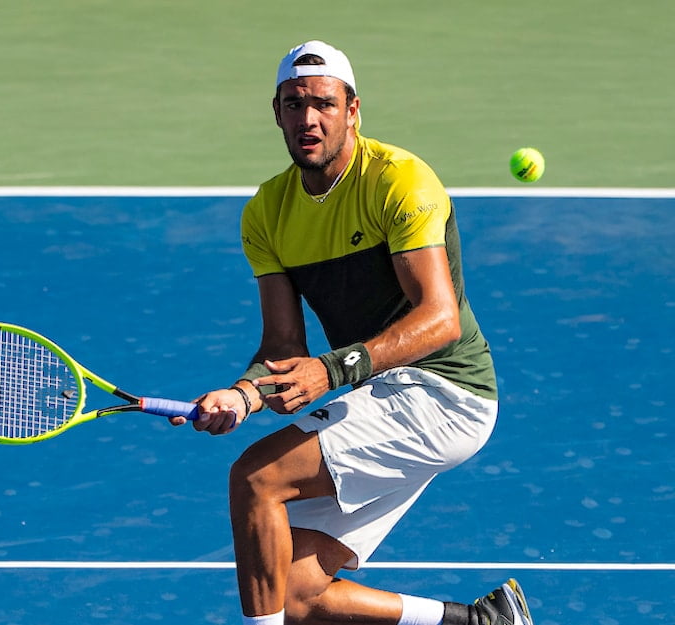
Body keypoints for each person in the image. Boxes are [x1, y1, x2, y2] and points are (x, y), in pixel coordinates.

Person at [172, 40, 533, 625]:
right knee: (296, 592)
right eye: (294, 104)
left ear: (353, 110)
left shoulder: (401, 180)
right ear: (277, 112)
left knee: (256, 478)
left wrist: (333, 371)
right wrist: (243, 394)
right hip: (387, 389)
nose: (308, 119)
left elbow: (438, 318)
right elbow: (283, 349)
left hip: (446, 392)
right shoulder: (266, 212)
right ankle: (483, 622)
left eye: (323, 103)